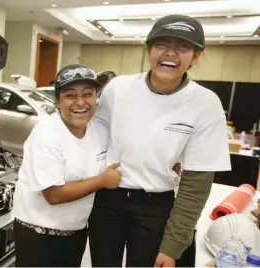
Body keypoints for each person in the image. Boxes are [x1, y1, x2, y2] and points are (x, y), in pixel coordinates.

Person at [88, 14, 231, 267]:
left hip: (155, 206)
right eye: (162, 44)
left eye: (183, 47)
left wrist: (174, 245)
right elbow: (92, 141)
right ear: (148, 51)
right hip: (107, 200)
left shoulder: (206, 104)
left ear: (195, 57)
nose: (171, 53)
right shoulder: (117, 89)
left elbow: (196, 185)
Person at [12, 64, 122, 267]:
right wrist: (102, 181)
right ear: (57, 101)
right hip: (39, 237)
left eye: (88, 94)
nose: (81, 102)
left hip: (75, 232)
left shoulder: (97, 129)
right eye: (70, 95)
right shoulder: (46, 134)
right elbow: (54, 195)